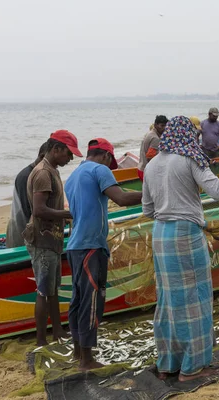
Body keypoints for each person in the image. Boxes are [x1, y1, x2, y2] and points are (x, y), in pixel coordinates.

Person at [142, 116, 219, 382]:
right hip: (185, 235)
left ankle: (168, 364)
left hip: (160, 235)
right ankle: (193, 367)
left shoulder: (151, 165)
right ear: (186, 135)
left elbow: (148, 209)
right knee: (194, 298)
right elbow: (218, 192)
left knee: (169, 301)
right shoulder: (189, 158)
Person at [64, 138, 143, 371]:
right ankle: (87, 361)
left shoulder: (73, 176)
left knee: (77, 300)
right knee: (91, 301)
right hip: (91, 245)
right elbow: (121, 198)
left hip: (74, 245)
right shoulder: (100, 169)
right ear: (107, 157)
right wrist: (153, 193)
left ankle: (78, 352)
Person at [23, 130, 83, 345]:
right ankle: (41, 341)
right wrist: (68, 214)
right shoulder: (42, 174)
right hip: (42, 239)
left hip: (53, 238)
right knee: (43, 290)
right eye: (68, 153)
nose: (71, 158)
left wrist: (62, 216)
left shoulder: (53, 170)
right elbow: (39, 210)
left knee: (53, 289)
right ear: (56, 149)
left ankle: (58, 331)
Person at [6, 141, 48, 248]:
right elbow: (30, 210)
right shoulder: (26, 177)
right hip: (22, 233)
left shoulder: (39, 174)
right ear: (43, 156)